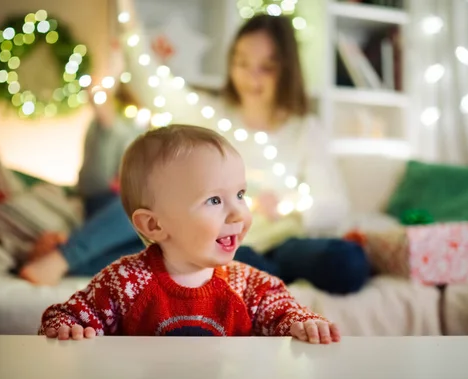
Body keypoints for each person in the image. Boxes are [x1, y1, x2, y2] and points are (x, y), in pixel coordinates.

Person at [21, 13, 370, 295]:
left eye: (266, 66)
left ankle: (67, 257)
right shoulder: (210, 115)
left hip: (282, 241)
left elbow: (334, 203)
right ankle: (66, 258)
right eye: (242, 62)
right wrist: (127, 18)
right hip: (216, 240)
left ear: (286, 70)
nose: (251, 77)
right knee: (160, 199)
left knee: (347, 262)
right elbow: (150, 79)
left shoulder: (303, 130)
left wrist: (290, 203)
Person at [40, 125, 340, 344]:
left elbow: (284, 312)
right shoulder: (124, 283)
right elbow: (66, 316)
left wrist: (304, 323)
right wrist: (66, 328)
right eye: (214, 200)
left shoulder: (248, 285)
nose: (238, 213)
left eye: (240, 194)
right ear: (154, 226)